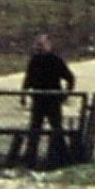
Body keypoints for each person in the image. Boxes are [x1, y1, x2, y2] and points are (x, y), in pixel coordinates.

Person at [21, 34, 77, 165]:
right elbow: (28, 79)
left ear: (48, 46)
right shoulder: (34, 60)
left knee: (56, 127)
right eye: (38, 45)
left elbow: (70, 78)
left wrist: (66, 94)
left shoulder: (55, 60)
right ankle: (30, 157)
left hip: (53, 100)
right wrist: (23, 94)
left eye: (42, 45)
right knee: (35, 128)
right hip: (38, 100)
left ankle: (63, 156)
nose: (39, 48)